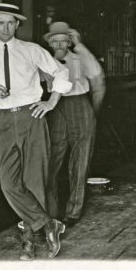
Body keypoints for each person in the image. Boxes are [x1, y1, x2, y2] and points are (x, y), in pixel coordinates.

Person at [0, 3, 72, 260]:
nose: (5, 28)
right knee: (8, 183)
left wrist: (51, 102)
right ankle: (48, 225)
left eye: (10, 23)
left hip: (31, 117)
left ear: (17, 25)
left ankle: (29, 241)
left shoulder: (31, 50)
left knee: (34, 181)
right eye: (0, 23)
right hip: (3, 120)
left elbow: (62, 71)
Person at [43, 21, 106, 227]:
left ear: (70, 41)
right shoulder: (43, 61)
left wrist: (92, 112)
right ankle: (50, 212)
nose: (60, 45)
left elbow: (99, 81)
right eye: (56, 41)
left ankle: (73, 212)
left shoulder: (81, 57)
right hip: (56, 108)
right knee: (51, 160)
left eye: (64, 41)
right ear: (50, 43)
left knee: (81, 162)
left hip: (80, 104)